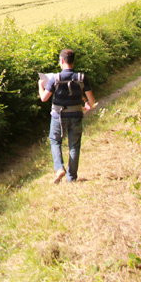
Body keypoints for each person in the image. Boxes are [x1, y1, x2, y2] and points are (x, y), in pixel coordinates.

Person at [38, 49, 97, 183]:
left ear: (62, 61)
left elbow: (44, 98)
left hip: (58, 115)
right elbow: (92, 101)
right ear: (73, 61)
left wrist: (40, 86)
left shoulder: (55, 78)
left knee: (55, 141)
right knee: (74, 145)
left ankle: (59, 168)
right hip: (76, 114)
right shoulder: (81, 78)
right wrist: (87, 107)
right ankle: (72, 178)